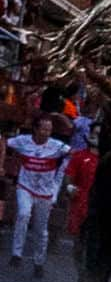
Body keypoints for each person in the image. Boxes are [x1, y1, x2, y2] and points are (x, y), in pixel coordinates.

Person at [8, 115, 74, 274]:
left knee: (41, 229)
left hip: (45, 192)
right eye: (43, 129)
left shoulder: (57, 146)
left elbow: (72, 154)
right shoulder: (22, 141)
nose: (46, 132)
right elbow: (5, 142)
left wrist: (59, 180)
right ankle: (16, 253)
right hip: (25, 187)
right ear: (35, 129)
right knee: (23, 215)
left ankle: (39, 262)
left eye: (49, 130)